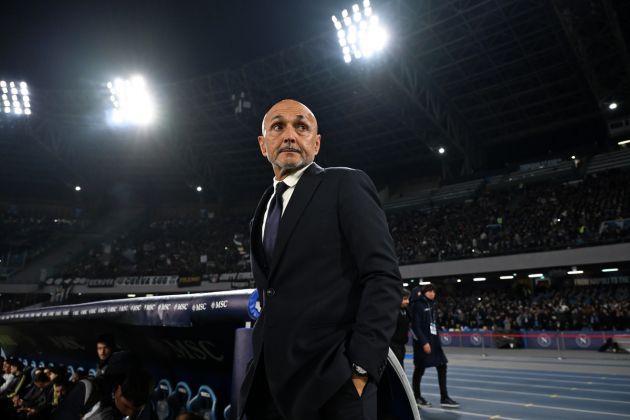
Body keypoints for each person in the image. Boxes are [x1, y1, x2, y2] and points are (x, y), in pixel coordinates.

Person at [239, 99, 401, 420]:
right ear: (262, 144)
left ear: (316, 143)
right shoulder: (262, 210)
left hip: (333, 387)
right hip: (271, 388)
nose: (289, 135)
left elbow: (383, 276)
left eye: (301, 127)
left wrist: (360, 368)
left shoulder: (344, 184)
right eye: (278, 126)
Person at [409, 283, 458, 408]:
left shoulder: (432, 305)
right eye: (429, 291)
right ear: (424, 292)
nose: (432, 293)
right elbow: (415, 326)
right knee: (419, 369)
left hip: (434, 342)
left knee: (442, 365)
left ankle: (444, 397)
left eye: (433, 291)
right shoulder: (418, 305)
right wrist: (424, 342)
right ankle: (416, 396)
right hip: (423, 344)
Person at [390, 288, 411, 366]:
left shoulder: (406, 310)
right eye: (405, 299)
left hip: (401, 346)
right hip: (393, 346)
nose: (407, 301)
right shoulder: (391, 312)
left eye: (408, 299)